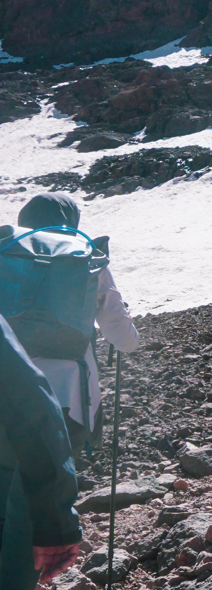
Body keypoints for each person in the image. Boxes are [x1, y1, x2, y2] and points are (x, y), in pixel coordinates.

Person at [3, 194, 140, 457]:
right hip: (69, 390)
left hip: (8, 377)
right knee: (53, 471)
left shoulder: (7, 254)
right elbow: (122, 339)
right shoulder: (85, 257)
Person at [0, 313, 82, 590]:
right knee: (18, 502)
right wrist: (55, 522)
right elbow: (30, 407)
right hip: (61, 401)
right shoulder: (85, 260)